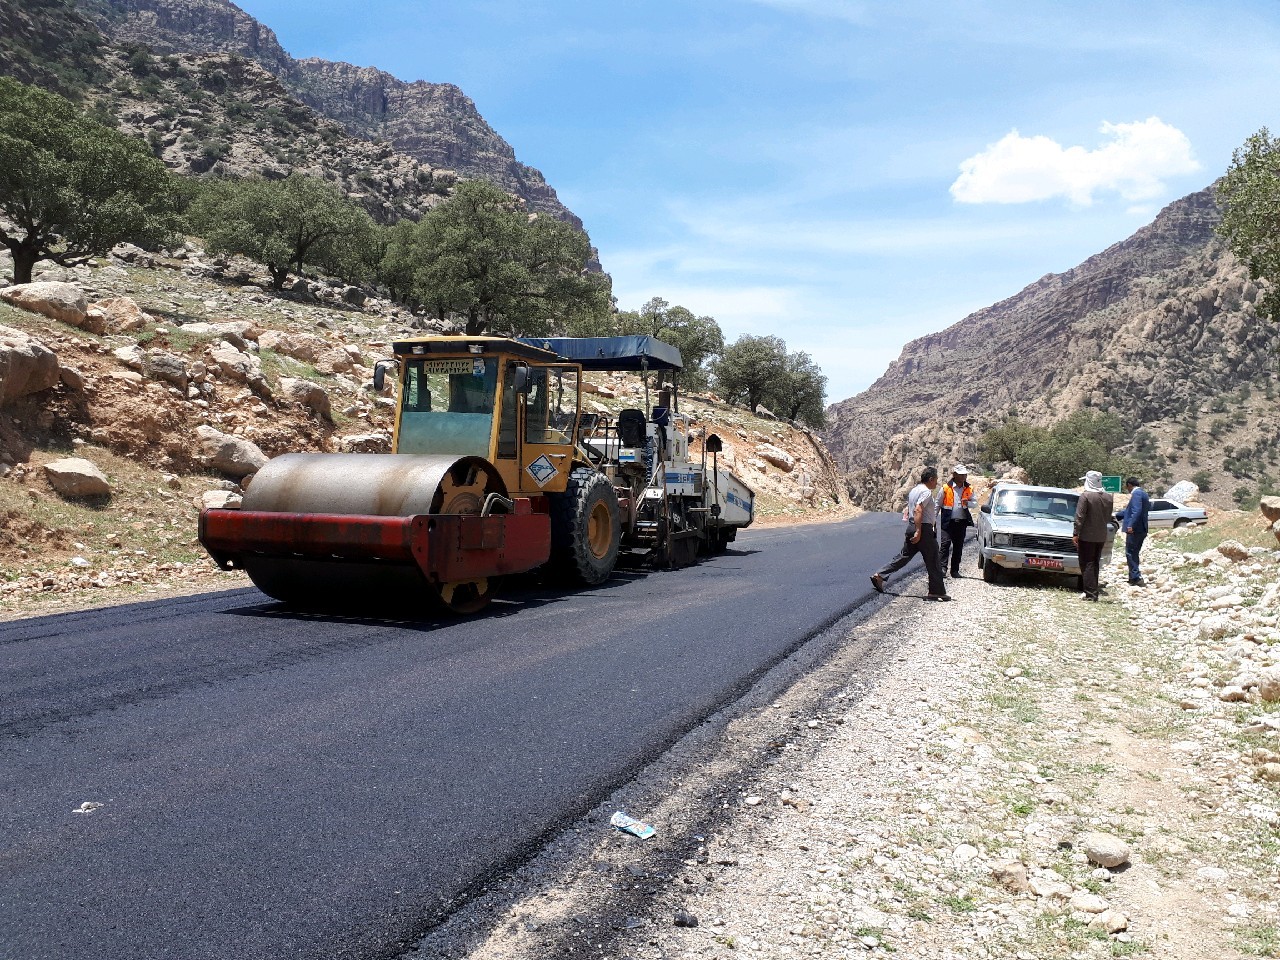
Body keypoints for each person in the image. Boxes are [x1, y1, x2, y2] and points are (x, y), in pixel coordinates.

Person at [870, 467, 950, 601]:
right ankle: (936, 591)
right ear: (930, 479)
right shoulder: (926, 492)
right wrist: (919, 531)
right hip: (923, 530)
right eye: (935, 480)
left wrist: (916, 529)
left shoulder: (914, 490)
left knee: (904, 556)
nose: (936, 483)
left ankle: (880, 575)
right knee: (934, 559)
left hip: (912, 527)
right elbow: (918, 510)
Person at [1073, 470, 1114, 602]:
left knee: (1087, 563)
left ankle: (1090, 594)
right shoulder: (1108, 497)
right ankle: (1092, 590)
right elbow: (1109, 517)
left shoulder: (1086, 496)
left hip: (1087, 535)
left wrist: (1075, 533)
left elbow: (1080, 516)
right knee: (1095, 562)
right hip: (1101, 535)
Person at [938, 464, 976, 578]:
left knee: (958, 547)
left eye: (964, 474)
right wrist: (932, 520)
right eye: (961, 474)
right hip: (947, 522)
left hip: (961, 522)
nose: (963, 477)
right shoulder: (945, 488)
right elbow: (937, 504)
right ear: (954, 475)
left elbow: (975, 503)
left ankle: (954, 571)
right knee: (945, 545)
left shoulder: (969, 488)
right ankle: (942, 569)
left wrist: (967, 503)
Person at [1120, 476, 1151, 586]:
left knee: (1130, 552)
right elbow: (1130, 511)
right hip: (1142, 528)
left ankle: (1136, 577)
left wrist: (1130, 525)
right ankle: (1133, 576)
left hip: (1135, 529)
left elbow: (1136, 511)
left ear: (1129, 485)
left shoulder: (1136, 494)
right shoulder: (1143, 493)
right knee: (1134, 553)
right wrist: (1117, 515)